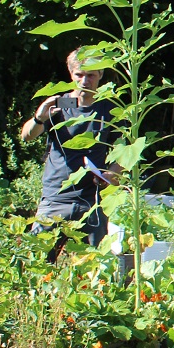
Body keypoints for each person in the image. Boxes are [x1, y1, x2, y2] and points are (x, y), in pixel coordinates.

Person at [21, 48, 118, 258]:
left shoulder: (109, 108)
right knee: (38, 260)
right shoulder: (61, 103)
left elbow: (125, 148)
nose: (85, 81)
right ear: (70, 74)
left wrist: (112, 172)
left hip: (92, 199)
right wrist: (39, 118)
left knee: (95, 266)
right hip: (56, 196)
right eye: (79, 75)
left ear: (101, 75)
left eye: (91, 75)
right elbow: (27, 136)